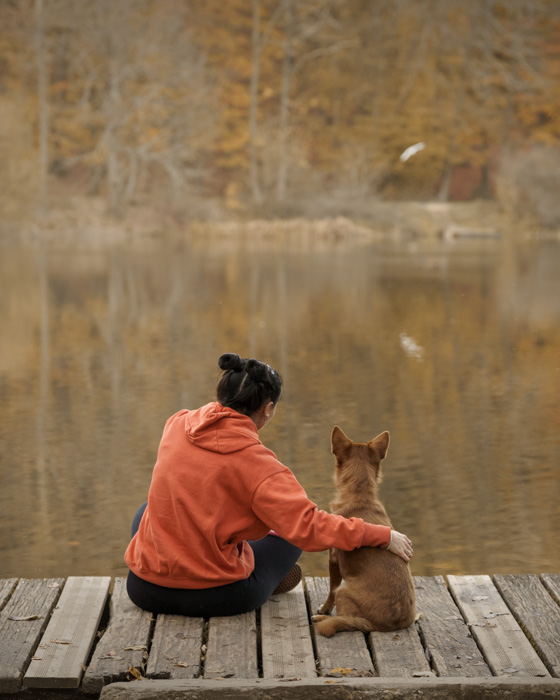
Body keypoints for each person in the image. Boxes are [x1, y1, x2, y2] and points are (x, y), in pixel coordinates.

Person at [125, 353, 413, 617]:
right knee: (289, 537)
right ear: (268, 409)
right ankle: (263, 576)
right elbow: (311, 529)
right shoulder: (262, 466)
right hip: (216, 597)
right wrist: (380, 535)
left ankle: (237, 549)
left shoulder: (177, 423)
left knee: (147, 511)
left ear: (221, 394)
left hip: (143, 588)